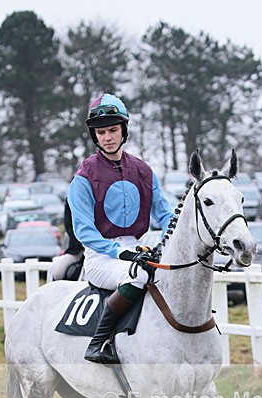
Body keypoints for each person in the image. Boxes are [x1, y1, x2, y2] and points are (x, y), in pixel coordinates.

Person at [67, 92, 174, 364]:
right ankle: (98, 343)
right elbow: (84, 231)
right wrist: (120, 252)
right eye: (101, 132)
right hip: (100, 257)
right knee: (138, 276)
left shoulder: (144, 171)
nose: (107, 137)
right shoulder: (84, 176)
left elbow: (166, 216)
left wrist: (165, 243)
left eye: (113, 130)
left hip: (138, 249)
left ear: (123, 130)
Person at [47, 199, 84, 281]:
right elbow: (69, 225)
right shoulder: (72, 197)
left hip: (103, 250)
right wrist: (82, 243)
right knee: (58, 272)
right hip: (78, 249)